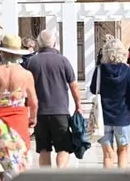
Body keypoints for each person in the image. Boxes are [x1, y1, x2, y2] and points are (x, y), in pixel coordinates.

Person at [0, 34, 38, 179]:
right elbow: (34, 101)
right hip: (18, 123)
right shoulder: (26, 74)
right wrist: (33, 118)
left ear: (2, 52)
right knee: (19, 164)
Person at [26, 30, 82, 168]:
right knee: (64, 148)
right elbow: (74, 85)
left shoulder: (31, 62)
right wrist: (78, 106)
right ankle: (60, 175)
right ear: (54, 43)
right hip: (60, 111)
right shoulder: (63, 60)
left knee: (44, 149)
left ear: (39, 44)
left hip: (40, 113)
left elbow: (26, 88)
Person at [90, 37, 130, 169]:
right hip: (123, 118)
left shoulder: (99, 70)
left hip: (103, 119)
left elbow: (93, 89)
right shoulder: (128, 72)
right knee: (123, 151)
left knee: (107, 155)